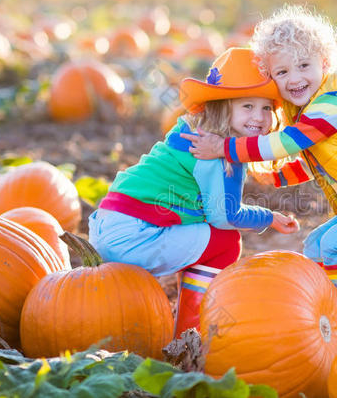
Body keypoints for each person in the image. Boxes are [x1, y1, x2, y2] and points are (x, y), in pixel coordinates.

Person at [181, 6, 337, 333]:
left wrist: (228, 149)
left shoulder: (335, 102)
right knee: (315, 246)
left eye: (303, 66)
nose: (294, 78)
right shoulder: (307, 111)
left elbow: (290, 143)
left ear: (324, 64)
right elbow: (314, 164)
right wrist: (270, 176)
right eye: (282, 72)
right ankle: (327, 319)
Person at [88, 48, 301, 338]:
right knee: (225, 242)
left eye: (266, 108)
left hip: (107, 225)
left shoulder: (190, 131)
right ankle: (190, 334)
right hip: (135, 236)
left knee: (202, 232)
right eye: (247, 107)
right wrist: (269, 218)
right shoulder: (219, 152)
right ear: (222, 107)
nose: (259, 117)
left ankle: (177, 315)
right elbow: (226, 216)